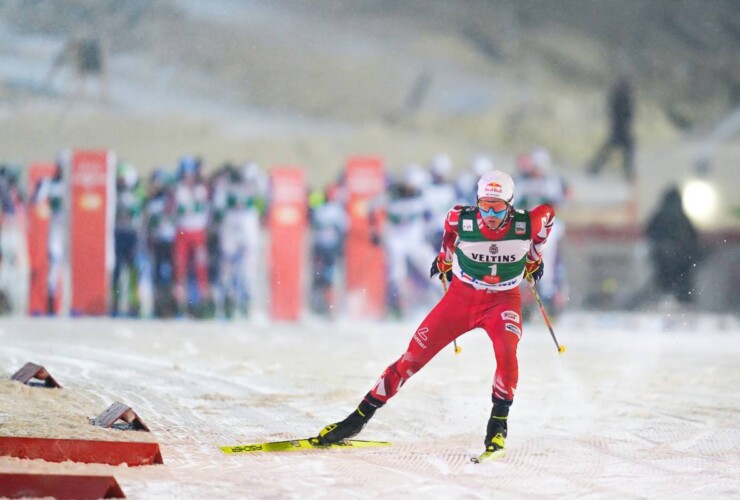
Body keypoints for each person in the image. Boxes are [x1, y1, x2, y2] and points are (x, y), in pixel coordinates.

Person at [315, 170, 555, 456]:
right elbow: (449, 234)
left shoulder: (525, 223)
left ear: (511, 204)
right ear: (477, 201)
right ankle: (356, 419)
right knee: (412, 359)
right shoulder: (461, 218)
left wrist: (534, 258)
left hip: (503, 299)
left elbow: (548, 216)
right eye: (485, 205)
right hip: (462, 298)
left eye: (498, 207)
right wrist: (444, 260)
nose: (490, 214)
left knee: (507, 352)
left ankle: (498, 425)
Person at [645, 186, 700, 303]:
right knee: (681, 282)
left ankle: (665, 298)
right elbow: (694, 236)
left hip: (662, 257)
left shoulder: (659, 215)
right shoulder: (683, 217)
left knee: (664, 282)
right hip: (681, 258)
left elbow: (649, 232)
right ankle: (681, 300)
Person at [588, 77, 635, 181]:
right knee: (620, 150)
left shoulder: (620, 98)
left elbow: (625, 114)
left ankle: (595, 167)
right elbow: (623, 114)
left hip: (620, 129)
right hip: (620, 129)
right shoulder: (620, 98)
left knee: (617, 150)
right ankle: (595, 167)